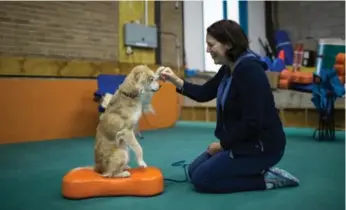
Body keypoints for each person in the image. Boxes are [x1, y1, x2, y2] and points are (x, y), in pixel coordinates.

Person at [159, 19, 299, 193]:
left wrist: (222, 145)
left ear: (229, 44)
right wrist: (174, 79)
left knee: (203, 180)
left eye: (211, 45)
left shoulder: (249, 70)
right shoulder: (229, 68)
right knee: (194, 171)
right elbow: (204, 93)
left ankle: (268, 179)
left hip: (262, 147)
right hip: (241, 142)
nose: (207, 50)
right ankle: (248, 169)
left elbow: (252, 123)